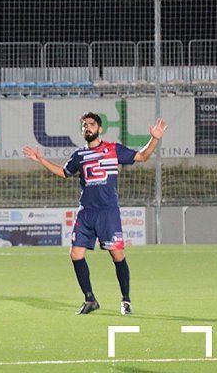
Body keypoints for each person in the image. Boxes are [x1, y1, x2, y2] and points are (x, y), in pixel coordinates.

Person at [22, 112, 168, 315]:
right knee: (75, 254)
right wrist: (40, 159)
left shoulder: (113, 149)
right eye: (84, 125)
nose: (87, 128)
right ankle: (90, 299)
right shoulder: (79, 155)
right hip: (86, 213)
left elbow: (142, 157)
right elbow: (64, 173)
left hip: (107, 212)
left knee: (117, 256)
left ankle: (125, 300)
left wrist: (155, 138)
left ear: (99, 129)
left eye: (91, 124)